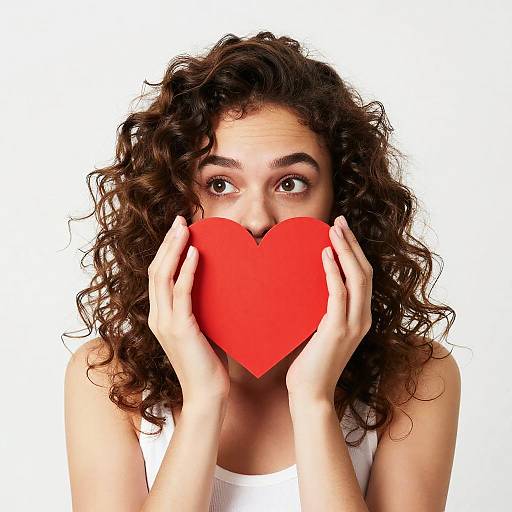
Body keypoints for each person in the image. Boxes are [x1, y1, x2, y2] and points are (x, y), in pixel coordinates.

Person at [63, 31, 461, 511]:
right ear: (178, 205)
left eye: (291, 183)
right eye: (220, 183)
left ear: (343, 201)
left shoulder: (416, 377)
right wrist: (204, 399)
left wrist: (313, 400)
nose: (256, 218)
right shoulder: (108, 378)